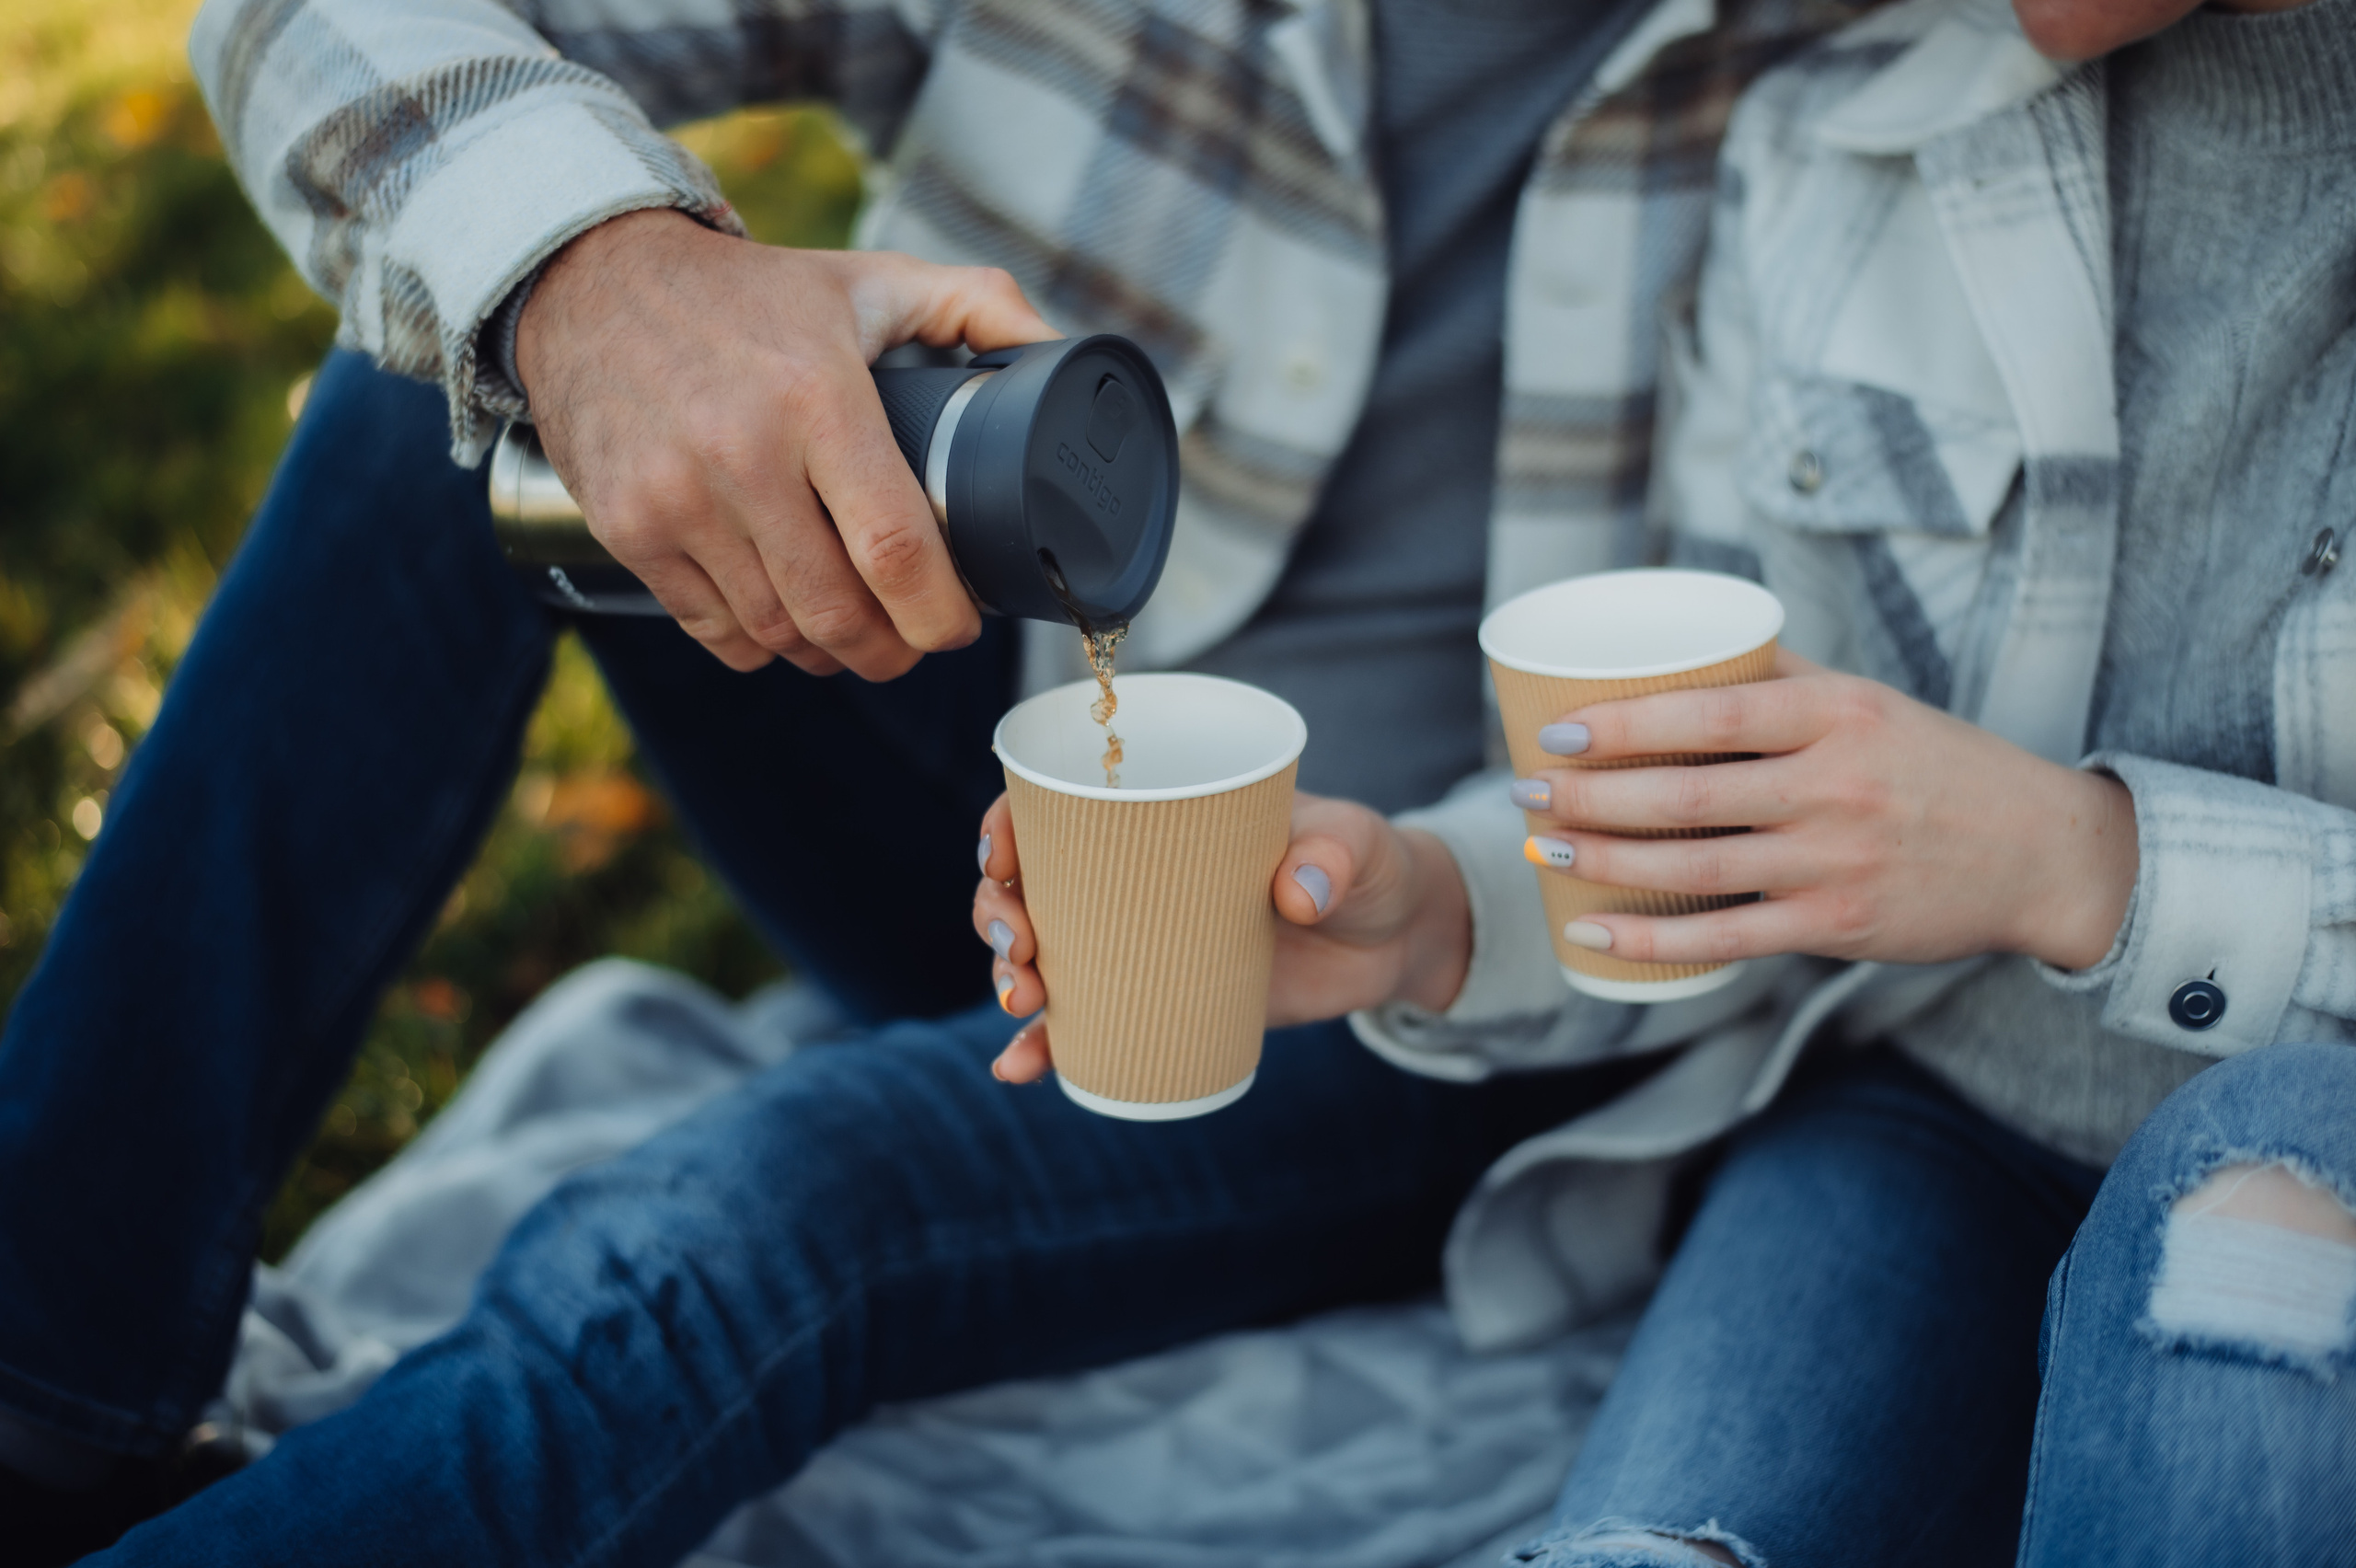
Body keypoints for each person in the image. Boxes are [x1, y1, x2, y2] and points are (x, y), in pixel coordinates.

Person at [0, 0, 1881, 1559]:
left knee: (743, 1225)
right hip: (976, 829)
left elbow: (1753, 777)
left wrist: (1429, 905)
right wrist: (595, 274)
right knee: (454, 397)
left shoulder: (1847, 81)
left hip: (1405, 983)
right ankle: (47, 1397)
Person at [987, 0, 2356, 1556]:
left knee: (2260, 1257)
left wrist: (2081, 865)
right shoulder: (1833, 135)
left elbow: (1993, 858)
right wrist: (1430, 912)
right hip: (1923, 1115)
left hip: (2311, 1140)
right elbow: (1712, 824)